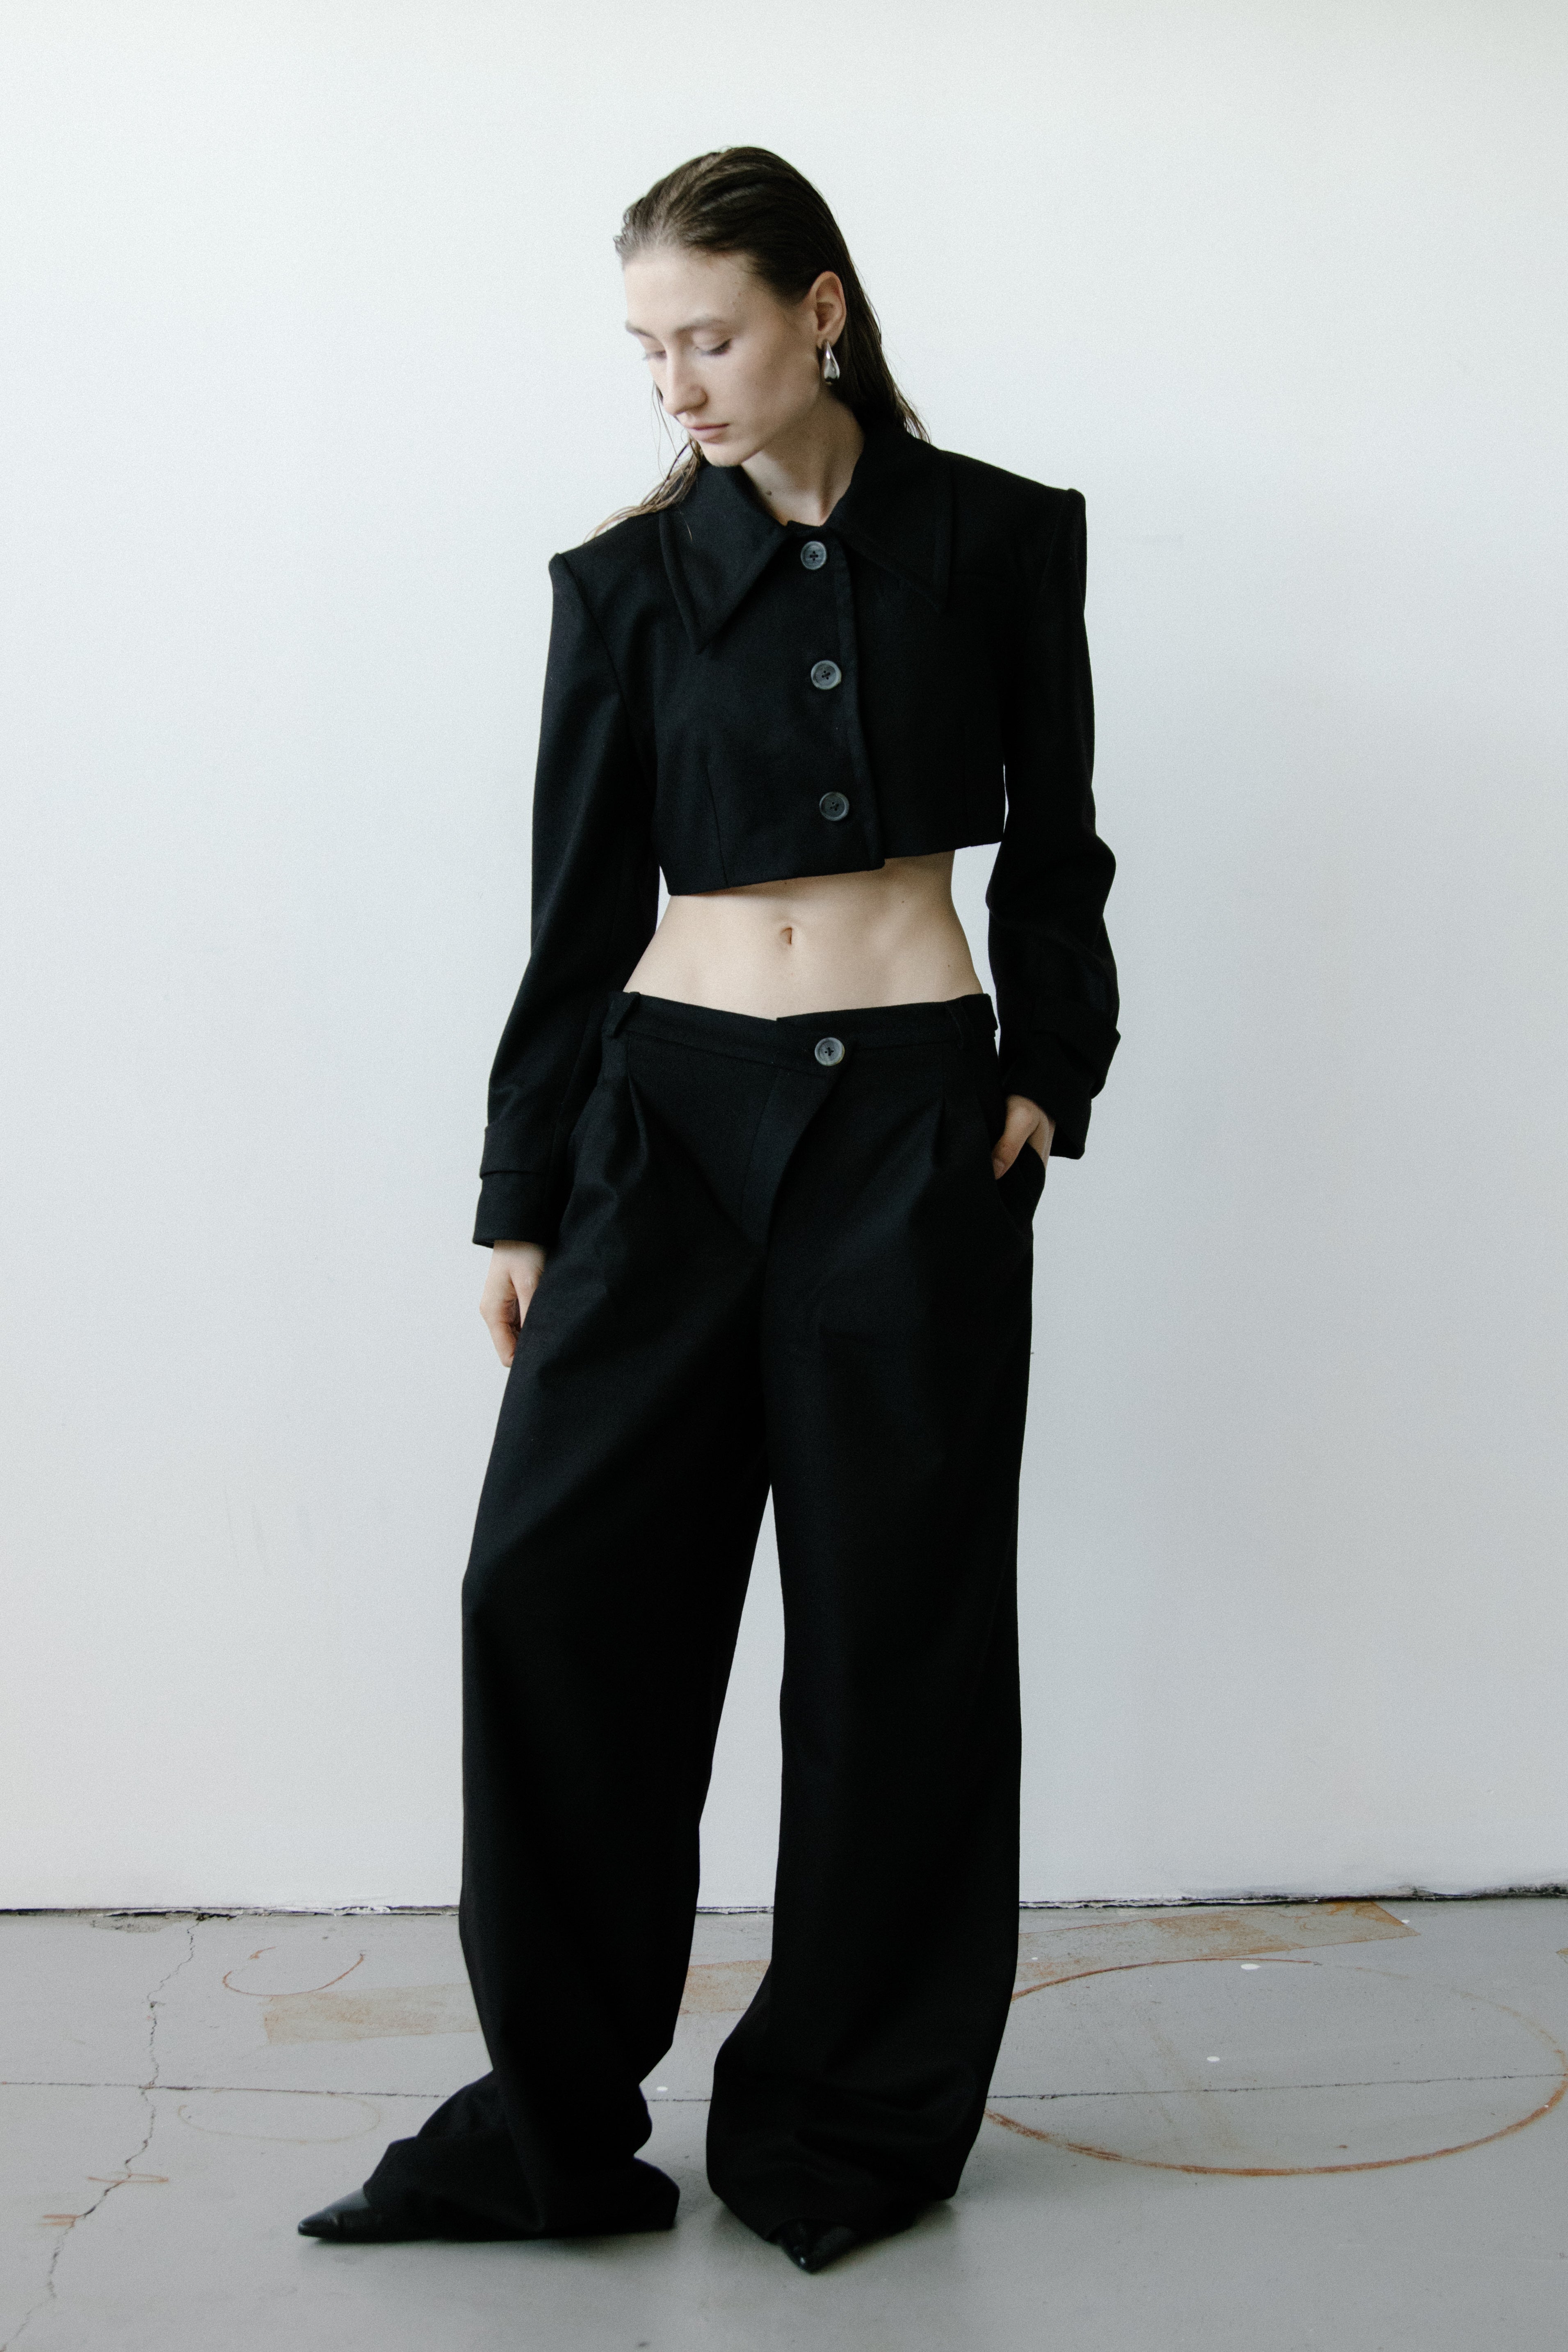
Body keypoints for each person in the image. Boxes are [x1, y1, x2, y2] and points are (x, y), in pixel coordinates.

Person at [300, 146, 1117, 2275]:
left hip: (913, 1139)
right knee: (554, 1597)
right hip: (665, 1132)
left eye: (713, 336)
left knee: (895, 1641)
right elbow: (575, 917)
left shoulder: (1005, 539)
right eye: (648, 348)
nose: (677, 384)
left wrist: (1048, 1075)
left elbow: (1059, 842)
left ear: (820, 309)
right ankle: (548, 2130)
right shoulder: (622, 588)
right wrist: (522, 1194)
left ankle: (846, 2120)